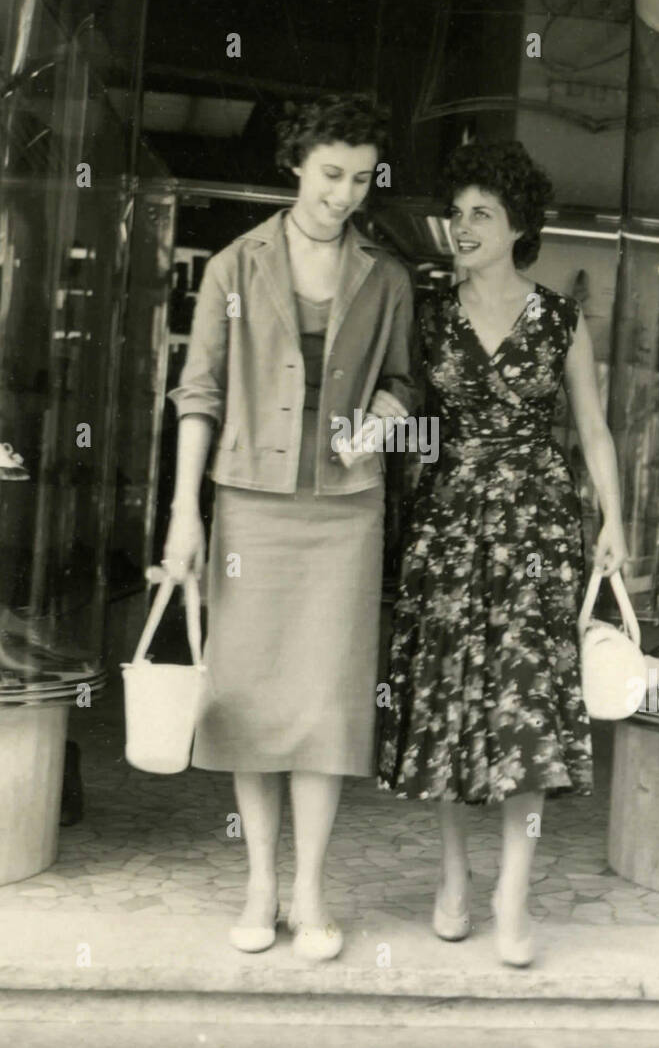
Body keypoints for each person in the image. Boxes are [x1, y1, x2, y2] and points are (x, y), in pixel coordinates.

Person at [162, 94, 414, 961]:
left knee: (325, 703)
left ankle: (310, 889)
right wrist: (182, 516)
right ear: (297, 165)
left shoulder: (387, 274)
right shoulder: (235, 265)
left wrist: (381, 416)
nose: (345, 194)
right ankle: (259, 882)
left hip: (346, 508)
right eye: (331, 174)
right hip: (251, 503)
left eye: (361, 178)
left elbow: (408, 382)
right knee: (254, 699)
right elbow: (198, 392)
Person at [378, 140, 628, 967]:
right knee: (450, 702)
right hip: (448, 522)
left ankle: (510, 895)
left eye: (481, 213)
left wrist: (614, 520)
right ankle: (452, 877)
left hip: (537, 528)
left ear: (519, 225)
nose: (463, 225)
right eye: (456, 213)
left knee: (526, 707)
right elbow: (402, 407)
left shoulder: (560, 318)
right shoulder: (431, 312)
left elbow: (592, 425)